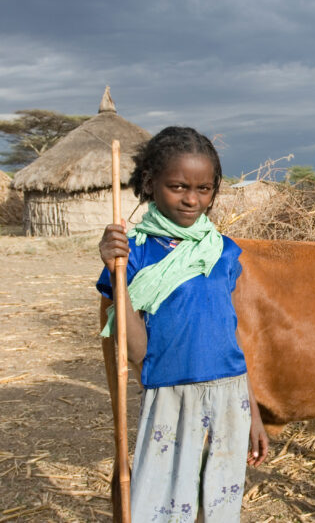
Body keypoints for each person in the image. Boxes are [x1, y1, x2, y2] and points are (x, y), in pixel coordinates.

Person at [97, 126, 269, 522]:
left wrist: (254, 413)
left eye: (204, 189)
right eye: (177, 187)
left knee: (221, 504)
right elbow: (137, 351)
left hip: (230, 397)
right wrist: (116, 273)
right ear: (150, 183)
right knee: (160, 505)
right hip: (169, 397)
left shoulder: (223, 252)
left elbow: (230, 338)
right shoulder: (133, 253)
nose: (192, 200)